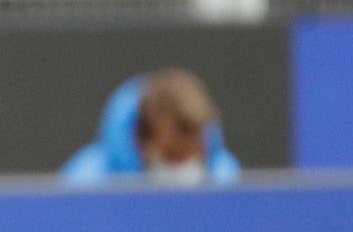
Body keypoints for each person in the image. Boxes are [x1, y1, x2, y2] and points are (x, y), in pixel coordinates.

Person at [61, 69, 241, 186]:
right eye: (172, 155)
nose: (182, 166)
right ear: (143, 137)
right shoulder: (84, 182)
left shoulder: (228, 179)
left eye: (193, 155)